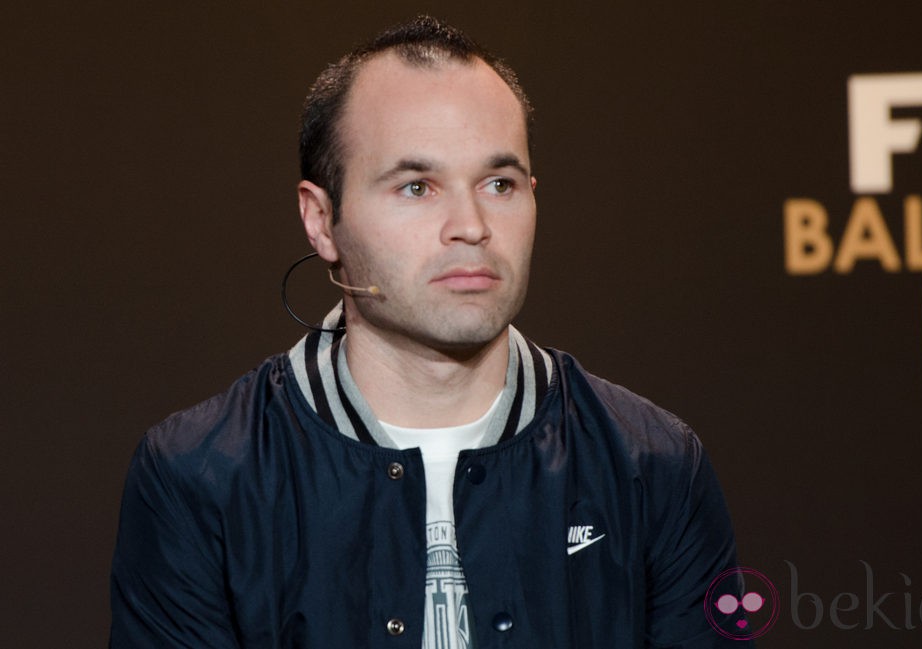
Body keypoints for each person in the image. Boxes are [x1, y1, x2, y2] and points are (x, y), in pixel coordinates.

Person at [110, 15, 750, 649]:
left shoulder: (654, 465)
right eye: (416, 186)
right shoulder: (198, 478)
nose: (470, 225)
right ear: (321, 220)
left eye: (499, 184)